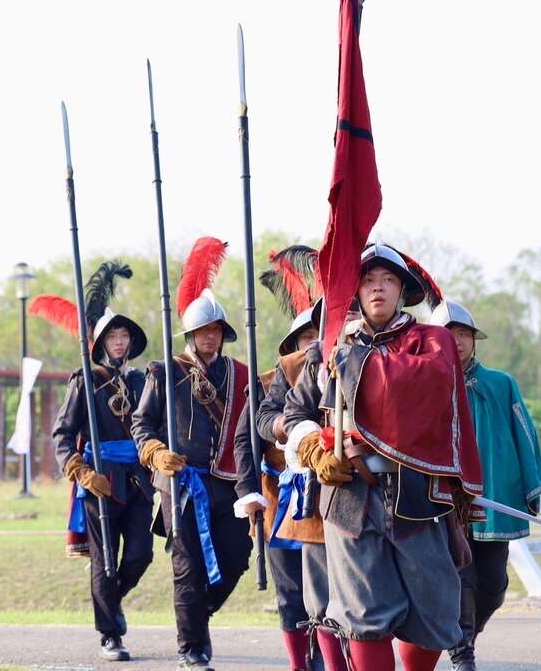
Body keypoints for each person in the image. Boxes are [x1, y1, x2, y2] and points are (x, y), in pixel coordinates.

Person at [283, 243, 484, 671]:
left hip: (417, 498)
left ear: (400, 290)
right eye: (368, 280)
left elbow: (424, 384)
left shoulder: (431, 341)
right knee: (364, 618)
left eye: (387, 280)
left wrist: (357, 361)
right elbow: (293, 413)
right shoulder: (329, 349)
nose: (377, 288)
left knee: (434, 613)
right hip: (349, 497)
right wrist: (313, 447)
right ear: (354, 291)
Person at [131, 287, 252, 671]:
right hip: (180, 484)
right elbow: (142, 424)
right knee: (188, 568)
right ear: (191, 334)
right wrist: (155, 452)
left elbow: (254, 428)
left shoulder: (241, 375)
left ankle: (198, 617)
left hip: (230, 483)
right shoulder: (165, 372)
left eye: (216, 329)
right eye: (203, 329)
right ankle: (191, 648)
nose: (210, 336)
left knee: (237, 558)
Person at [430, 300, 541, 671]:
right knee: (461, 579)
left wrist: (530, 485)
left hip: (493, 496)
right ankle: (462, 654)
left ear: (474, 340)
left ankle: (464, 635)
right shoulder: (424, 385)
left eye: (464, 334)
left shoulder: (501, 383)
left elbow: (524, 435)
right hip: (447, 499)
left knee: (494, 587)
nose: (458, 341)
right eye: (449, 335)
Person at [235, 307, 334, 671]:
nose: (312, 345)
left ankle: (327, 657)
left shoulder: (339, 369)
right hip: (280, 499)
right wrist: (250, 494)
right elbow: (245, 441)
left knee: (329, 592)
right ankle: (299, 663)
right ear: (294, 345)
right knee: (291, 592)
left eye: (317, 336)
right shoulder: (265, 385)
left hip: (329, 496)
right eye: (306, 339)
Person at [53, 303, 153, 662]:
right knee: (104, 560)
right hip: (100, 480)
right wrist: (80, 471)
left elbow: (155, 427)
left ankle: (109, 600)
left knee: (141, 554)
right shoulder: (86, 380)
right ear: (101, 342)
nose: (120, 341)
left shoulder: (142, 380)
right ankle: (110, 634)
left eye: (124, 335)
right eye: (113, 335)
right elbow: (62, 434)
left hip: (140, 479)